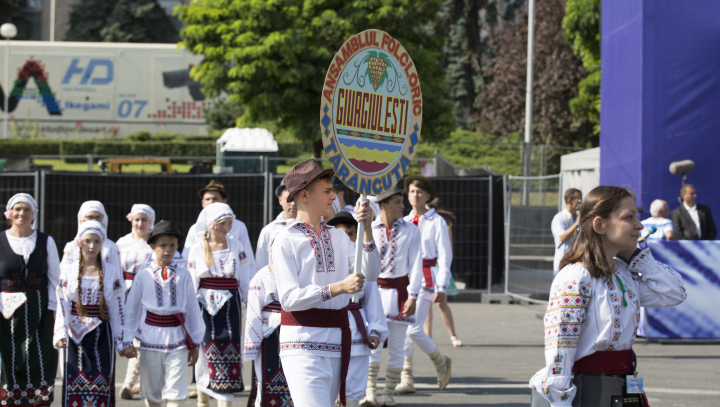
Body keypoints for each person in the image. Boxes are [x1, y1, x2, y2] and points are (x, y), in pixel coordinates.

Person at [529, 186, 687, 407]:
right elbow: (560, 346)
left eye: (637, 216)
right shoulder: (576, 277)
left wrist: (639, 258)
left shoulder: (623, 273)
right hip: (589, 390)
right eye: (629, 217)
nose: (639, 225)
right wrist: (560, 401)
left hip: (623, 386)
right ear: (600, 225)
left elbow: (676, 293)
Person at [272, 159, 380, 407]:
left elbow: (372, 272)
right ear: (305, 195)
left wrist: (368, 229)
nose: (334, 196)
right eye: (327, 190)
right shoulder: (285, 239)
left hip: (337, 341)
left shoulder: (339, 237)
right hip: (302, 343)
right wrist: (338, 288)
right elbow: (289, 299)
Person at [54, 220, 135, 407]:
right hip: (74, 336)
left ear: (102, 243)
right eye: (87, 241)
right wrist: (60, 333)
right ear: (79, 242)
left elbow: (117, 309)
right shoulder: (68, 271)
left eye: (96, 241)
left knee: (101, 381)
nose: (92, 246)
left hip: (101, 334)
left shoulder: (111, 272)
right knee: (75, 381)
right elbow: (63, 305)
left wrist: (122, 342)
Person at [124, 221, 205, 407]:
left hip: (177, 338)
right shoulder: (143, 275)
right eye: (162, 245)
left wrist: (195, 343)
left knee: (176, 393)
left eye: (172, 245)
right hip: (150, 338)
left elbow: (192, 310)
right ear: (152, 246)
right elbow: (131, 310)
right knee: (152, 393)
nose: (167, 249)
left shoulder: (184, 275)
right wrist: (128, 340)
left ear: (178, 247)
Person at [361, 185, 421, 407]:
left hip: (400, 295)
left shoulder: (411, 230)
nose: (403, 205)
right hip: (374, 294)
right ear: (384, 205)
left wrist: (413, 295)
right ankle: (370, 393)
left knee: (397, 346)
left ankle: (388, 393)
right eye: (398, 202)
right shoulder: (370, 229)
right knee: (372, 344)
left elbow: (416, 266)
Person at [187, 203, 250, 407]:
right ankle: (203, 400)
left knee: (230, 350)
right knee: (205, 350)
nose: (227, 228)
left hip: (231, 307)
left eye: (230, 223)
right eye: (223, 224)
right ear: (212, 225)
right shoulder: (198, 247)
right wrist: (189, 310)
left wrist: (250, 302)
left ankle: (225, 401)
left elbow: (244, 279)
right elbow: (192, 282)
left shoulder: (236, 246)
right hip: (204, 306)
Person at [0, 194, 59, 406]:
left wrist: (53, 311)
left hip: (41, 311)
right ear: (9, 213)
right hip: (6, 314)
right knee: (9, 360)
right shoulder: (0, 240)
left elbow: (55, 278)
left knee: (40, 358)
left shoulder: (46, 241)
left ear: (34, 213)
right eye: (17, 209)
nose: (22, 213)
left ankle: (38, 401)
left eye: (27, 209)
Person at [396, 175, 452, 394]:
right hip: (407, 279)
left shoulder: (436, 221)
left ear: (428, 196)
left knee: (413, 329)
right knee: (404, 329)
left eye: (419, 192)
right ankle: (406, 378)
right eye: (411, 191)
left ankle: (440, 361)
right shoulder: (405, 221)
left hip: (428, 278)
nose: (415, 195)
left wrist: (442, 286)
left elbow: (445, 256)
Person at [328, 210, 388, 407]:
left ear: (357, 235)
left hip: (356, 328)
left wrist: (376, 329)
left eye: (351, 233)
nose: (346, 238)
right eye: (341, 233)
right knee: (327, 384)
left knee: (354, 384)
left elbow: (373, 299)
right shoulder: (325, 262)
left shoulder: (361, 264)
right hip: (329, 330)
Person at [244, 243, 293, 407]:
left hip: (294, 331)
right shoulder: (261, 276)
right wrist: (252, 344)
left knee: (294, 381)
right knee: (266, 378)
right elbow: (253, 311)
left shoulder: (298, 274)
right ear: (272, 251)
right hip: (269, 335)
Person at [117, 204, 156, 399]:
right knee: (132, 336)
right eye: (137, 219)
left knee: (144, 337)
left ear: (151, 223)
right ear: (131, 219)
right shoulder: (122, 243)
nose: (140, 223)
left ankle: (132, 382)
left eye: (144, 220)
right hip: (126, 292)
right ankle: (132, 382)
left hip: (147, 293)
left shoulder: (155, 243)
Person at [182, 180, 256, 275]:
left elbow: (248, 259)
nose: (211, 202)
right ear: (202, 203)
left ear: (224, 202)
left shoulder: (239, 226)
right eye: (207, 199)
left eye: (215, 199)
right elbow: (186, 258)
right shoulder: (195, 228)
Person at [422, 197, 462, 348]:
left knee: (441, 303)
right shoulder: (420, 223)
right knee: (426, 303)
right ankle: (428, 337)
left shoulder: (443, 225)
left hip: (437, 266)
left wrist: (442, 270)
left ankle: (453, 335)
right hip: (426, 266)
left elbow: (447, 251)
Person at [61, 200, 122, 273]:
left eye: (98, 217)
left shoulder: (111, 247)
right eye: (90, 217)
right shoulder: (71, 247)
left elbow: (117, 276)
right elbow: (64, 273)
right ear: (82, 219)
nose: (95, 221)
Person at [256, 180, 297, 270]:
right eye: (289, 199)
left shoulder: (312, 226)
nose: (293, 203)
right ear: (280, 200)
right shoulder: (268, 230)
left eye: (296, 198)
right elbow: (261, 264)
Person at [552, 189, 582, 276]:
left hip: (575, 263)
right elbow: (562, 237)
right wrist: (576, 224)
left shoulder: (578, 218)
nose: (580, 203)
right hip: (562, 263)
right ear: (569, 201)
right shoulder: (559, 218)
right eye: (578, 200)